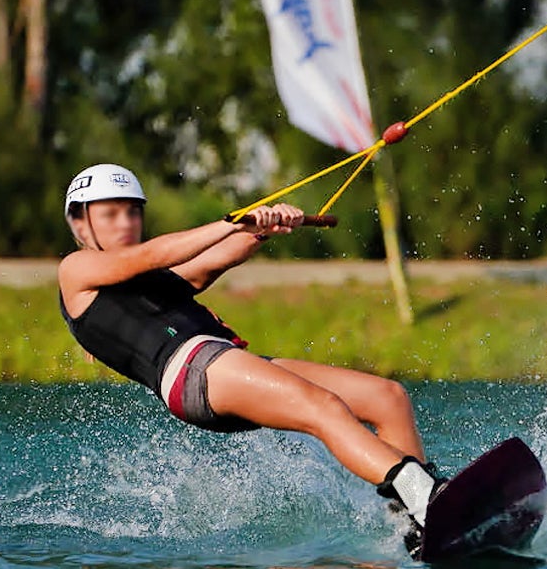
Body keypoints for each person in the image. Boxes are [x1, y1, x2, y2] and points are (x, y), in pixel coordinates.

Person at [57, 163, 444, 534]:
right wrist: (229, 222)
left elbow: (218, 255)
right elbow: (156, 253)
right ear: (79, 222)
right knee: (324, 408)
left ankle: (413, 526)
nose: (125, 223)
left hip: (228, 365)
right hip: (194, 373)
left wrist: (266, 227)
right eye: (109, 214)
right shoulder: (76, 269)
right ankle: (423, 497)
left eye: (131, 212)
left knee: (387, 397)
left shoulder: (158, 278)